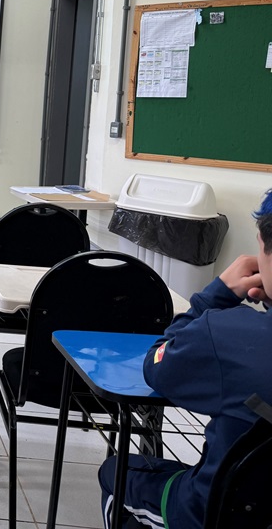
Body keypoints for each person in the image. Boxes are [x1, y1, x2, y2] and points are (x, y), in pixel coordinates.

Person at [98, 187, 272, 529]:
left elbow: (156, 368)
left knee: (114, 472)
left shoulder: (228, 335)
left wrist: (214, 297)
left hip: (210, 514)